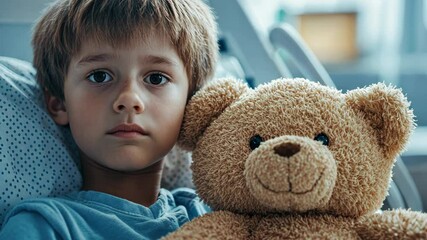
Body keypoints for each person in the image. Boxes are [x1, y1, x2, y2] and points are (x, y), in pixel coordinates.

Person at [0, 0, 218, 238]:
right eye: (100, 76)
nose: (129, 98)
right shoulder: (44, 227)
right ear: (59, 103)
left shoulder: (210, 215)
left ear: (190, 104)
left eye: (156, 78)